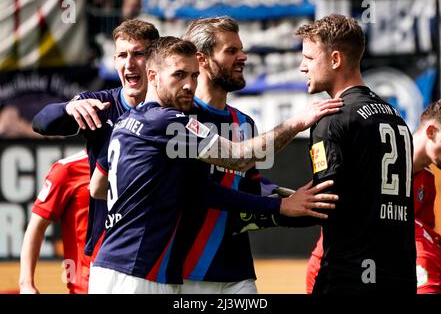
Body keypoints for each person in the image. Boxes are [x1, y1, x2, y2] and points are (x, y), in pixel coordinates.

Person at [88, 36, 340, 293]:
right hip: (138, 271)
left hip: (111, 264)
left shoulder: (126, 120)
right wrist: (299, 121)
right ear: (152, 77)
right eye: (179, 75)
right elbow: (239, 157)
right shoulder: (169, 122)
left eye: (194, 76)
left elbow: (96, 188)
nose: (189, 85)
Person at [179, 16, 331, 294]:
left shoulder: (244, 123)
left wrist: (303, 201)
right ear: (201, 59)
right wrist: (297, 122)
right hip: (187, 274)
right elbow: (203, 191)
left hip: (237, 273)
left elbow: (250, 184)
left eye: (241, 49)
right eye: (231, 51)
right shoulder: (181, 118)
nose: (243, 57)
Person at [296, 14, 416, 294]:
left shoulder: (331, 118)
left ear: (335, 59)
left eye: (309, 58)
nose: (302, 67)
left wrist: (266, 208)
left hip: (350, 275)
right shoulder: (397, 117)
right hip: (400, 275)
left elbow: (324, 201)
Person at [32, 19, 160, 260]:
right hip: (108, 245)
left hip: (161, 245)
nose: (129, 63)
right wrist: (68, 108)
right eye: (122, 55)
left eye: (139, 54)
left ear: (156, 60)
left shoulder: (172, 110)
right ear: (114, 61)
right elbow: (42, 122)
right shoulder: (100, 105)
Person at [306, 100, 441, 294]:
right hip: (336, 270)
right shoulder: (371, 160)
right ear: (431, 132)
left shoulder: (427, 180)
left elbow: (422, 240)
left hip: (380, 275)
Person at [19, 151, 90, 294]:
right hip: (84, 287)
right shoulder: (67, 169)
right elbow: (36, 227)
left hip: (131, 279)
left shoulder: (137, 165)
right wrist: (26, 284)